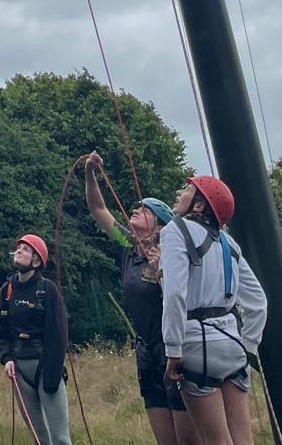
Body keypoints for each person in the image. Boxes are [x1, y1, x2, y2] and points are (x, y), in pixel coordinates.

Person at [85, 151, 198, 444]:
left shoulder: (170, 253)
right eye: (136, 207)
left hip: (174, 350)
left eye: (144, 210)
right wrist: (90, 173)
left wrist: (161, 272)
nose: (135, 210)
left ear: (159, 226)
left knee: (188, 441)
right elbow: (98, 208)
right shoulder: (128, 245)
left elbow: (183, 299)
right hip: (146, 351)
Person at [161, 176, 267, 445]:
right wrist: (249, 347)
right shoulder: (229, 244)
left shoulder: (175, 231)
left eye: (187, 189)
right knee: (243, 441)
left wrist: (173, 349)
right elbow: (258, 302)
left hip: (197, 346)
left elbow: (174, 294)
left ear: (199, 205)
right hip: (233, 346)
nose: (179, 192)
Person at [0, 234, 72, 445]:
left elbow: (59, 334)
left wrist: (52, 375)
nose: (18, 251)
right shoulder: (7, 290)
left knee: (61, 438)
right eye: (18, 248)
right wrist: (7, 358)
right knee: (39, 439)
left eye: (25, 249)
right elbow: (1, 330)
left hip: (46, 368)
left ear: (36, 261)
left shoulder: (48, 290)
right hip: (19, 370)